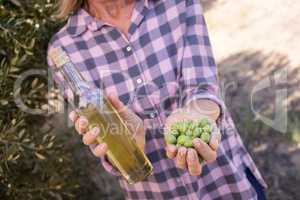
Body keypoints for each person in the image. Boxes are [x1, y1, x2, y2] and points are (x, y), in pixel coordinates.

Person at [47, 0, 267, 199]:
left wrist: (196, 116)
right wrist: (127, 145)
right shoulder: (64, 49)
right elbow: (109, 140)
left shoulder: (177, 4)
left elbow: (202, 88)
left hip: (226, 184)